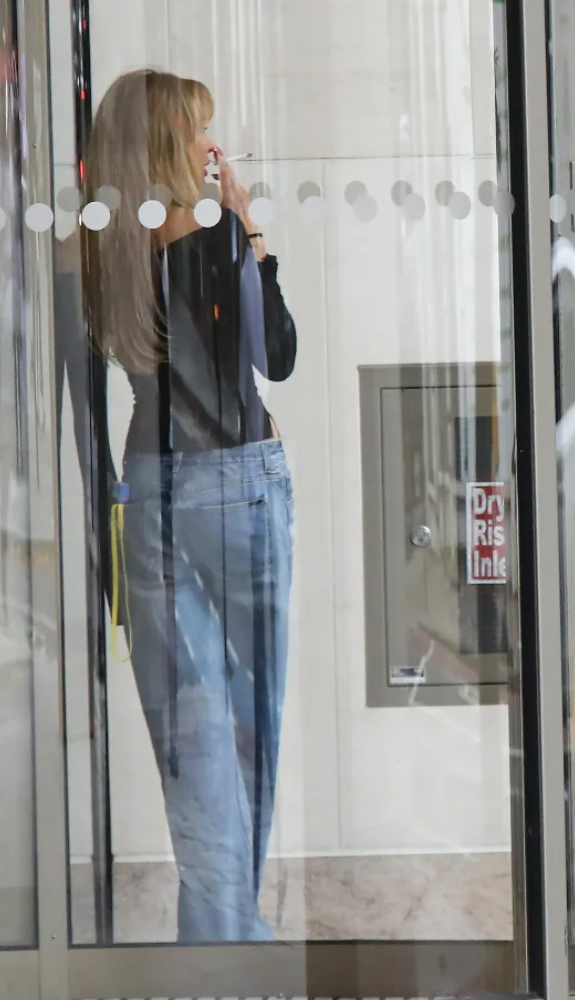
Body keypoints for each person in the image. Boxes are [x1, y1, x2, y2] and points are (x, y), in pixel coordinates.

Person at [57, 68, 297, 942]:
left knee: (189, 740)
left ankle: (222, 946)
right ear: (166, 142)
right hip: (239, 481)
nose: (209, 145)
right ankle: (229, 951)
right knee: (247, 726)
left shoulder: (85, 250)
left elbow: (85, 417)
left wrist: (103, 547)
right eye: (197, 128)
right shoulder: (216, 229)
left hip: (146, 491)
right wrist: (250, 228)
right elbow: (278, 357)